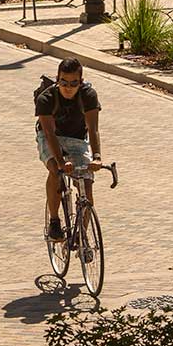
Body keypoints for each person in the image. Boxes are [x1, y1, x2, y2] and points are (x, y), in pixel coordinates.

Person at [34, 58, 102, 241]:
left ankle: (83, 235)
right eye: (64, 82)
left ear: (81, 81)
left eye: (74, 83)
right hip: (50, 138)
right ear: (58, 79)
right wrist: (61, 162)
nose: (69, 87)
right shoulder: (46, 99)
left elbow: (93, 128)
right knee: (56, 172)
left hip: (77, 139)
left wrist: (96, 157)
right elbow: (49, 133)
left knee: (86, 184)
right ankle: (55, 222)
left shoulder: (88, 96)